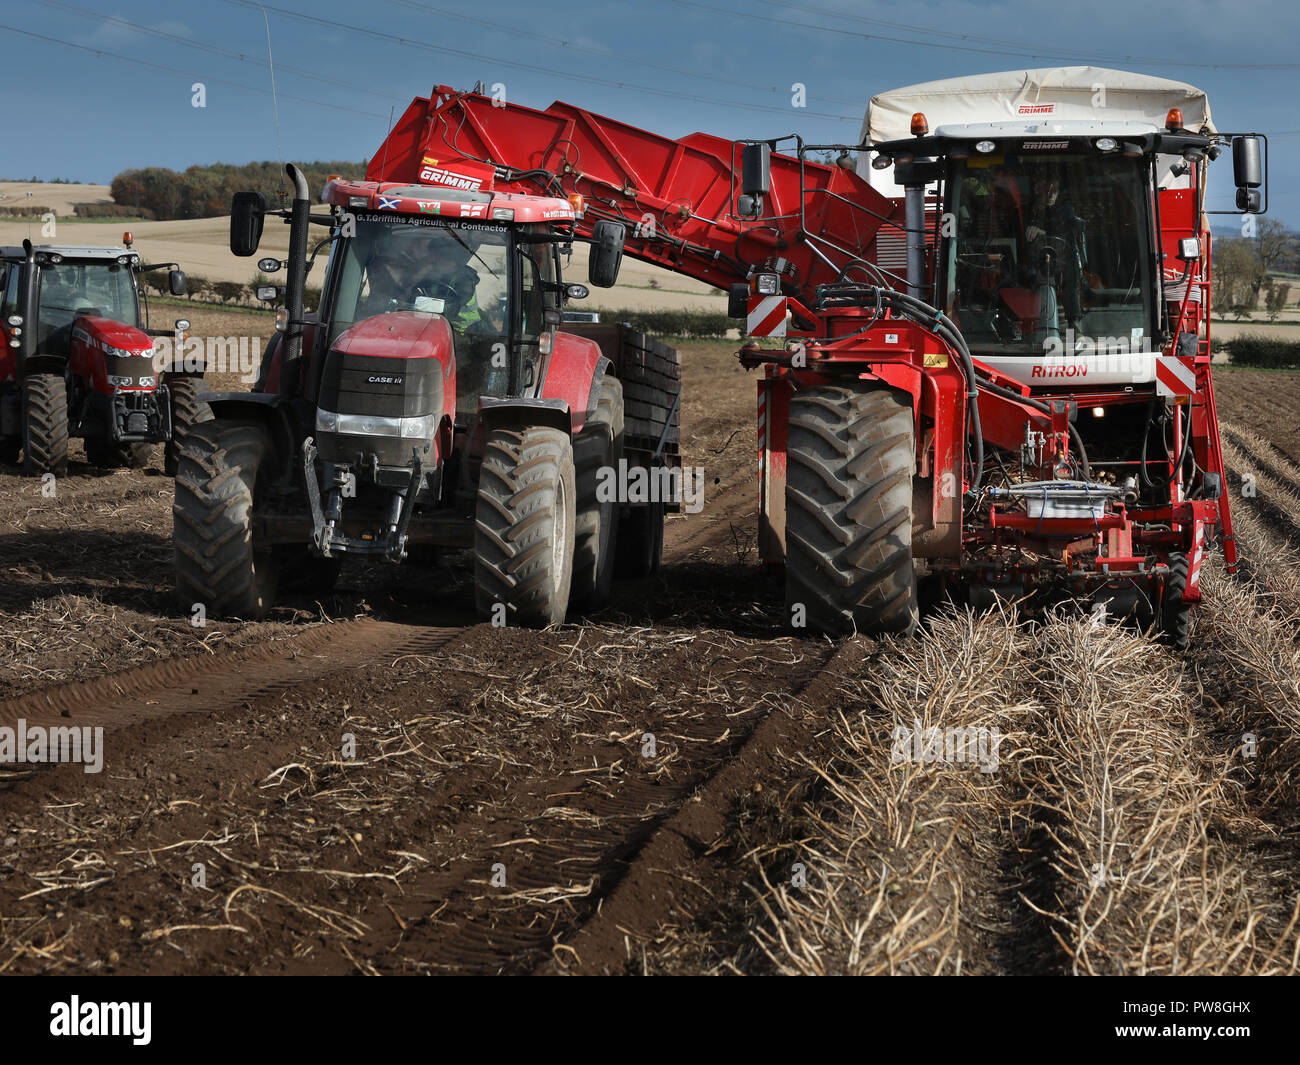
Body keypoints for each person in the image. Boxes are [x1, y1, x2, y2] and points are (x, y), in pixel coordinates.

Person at [1025, 172, 1087, 334]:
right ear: (1038, 189)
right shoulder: (1030, 210)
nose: (1051, 193)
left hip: (1061, 261)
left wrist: (1042, 231)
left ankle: (1074, 320)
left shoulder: (1066, 210)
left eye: (1055, 190)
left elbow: (1068, 230)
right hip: (1033, 260)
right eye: (1047, 189)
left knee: (1071, 271)